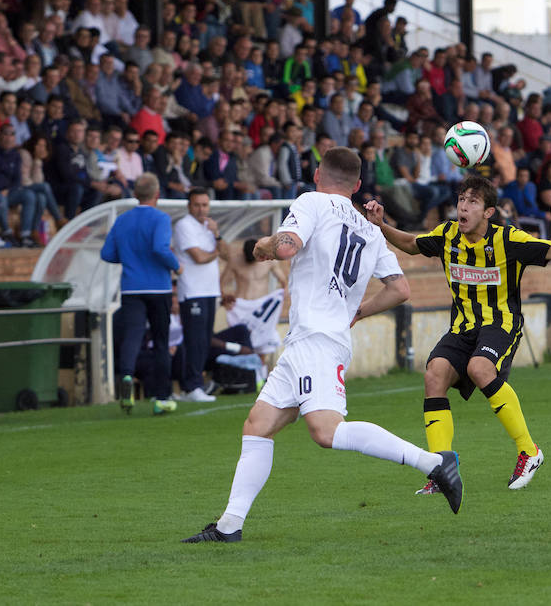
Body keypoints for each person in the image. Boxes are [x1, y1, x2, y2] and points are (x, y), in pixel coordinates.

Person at [182, 147, 464, 544]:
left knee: (326, 431)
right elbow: (400, 289)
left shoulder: (311, 201)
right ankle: (229, 526)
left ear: (317, 175)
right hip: (313, 338)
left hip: (317, 338)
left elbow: (284, 247)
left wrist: (263, 245)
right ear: (358, 185)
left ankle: (434, 462)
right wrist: (359, 311)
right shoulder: (370, 228)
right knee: (257, 426)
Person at [365, 175, 551, 492]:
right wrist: (381, 225)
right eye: (461, 199)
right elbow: (410, 244)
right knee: (434, 374)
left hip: (500, 323)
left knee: (480, 368)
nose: (463, 206)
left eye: (472, 201)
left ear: (488, 212)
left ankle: (529, 451)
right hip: (463, 327)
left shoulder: (509, 239)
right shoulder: (447, 234)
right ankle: (442, 469)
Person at [100, 173, 182, 415]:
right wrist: (176, 264)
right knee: (160, 341)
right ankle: (161, 397)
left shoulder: (122, 220)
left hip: (131, 288)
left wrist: (128, 258)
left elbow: (107, 254)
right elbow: (159, 248)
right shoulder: (161, 218)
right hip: (158, 287)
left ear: (135, 194)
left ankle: (126, 376)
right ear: (157, 195)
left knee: (132, 336)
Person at [173, 188, 223, 403]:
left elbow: (228, 253)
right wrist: (217, 251)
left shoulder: (209, 227)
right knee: (195, 340)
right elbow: (199, 257)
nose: (202, 209)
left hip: (210, 290)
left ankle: (193, 386)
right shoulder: (184, 225)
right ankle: (192, 386)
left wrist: (217, 235)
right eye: (197, 205)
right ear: (189, 206)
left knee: (203, 340)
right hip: (192, 291)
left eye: (205, 205)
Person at [220, 237, 289, 355]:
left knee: (263, 348)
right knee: (242, 346)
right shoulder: (235, 261)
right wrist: (225, 298)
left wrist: (281, 299)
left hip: (261, 307)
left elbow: (284, 282)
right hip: (241, 307)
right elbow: (221, 283)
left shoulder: (269, 261)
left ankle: (260, 371)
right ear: (243, 253)